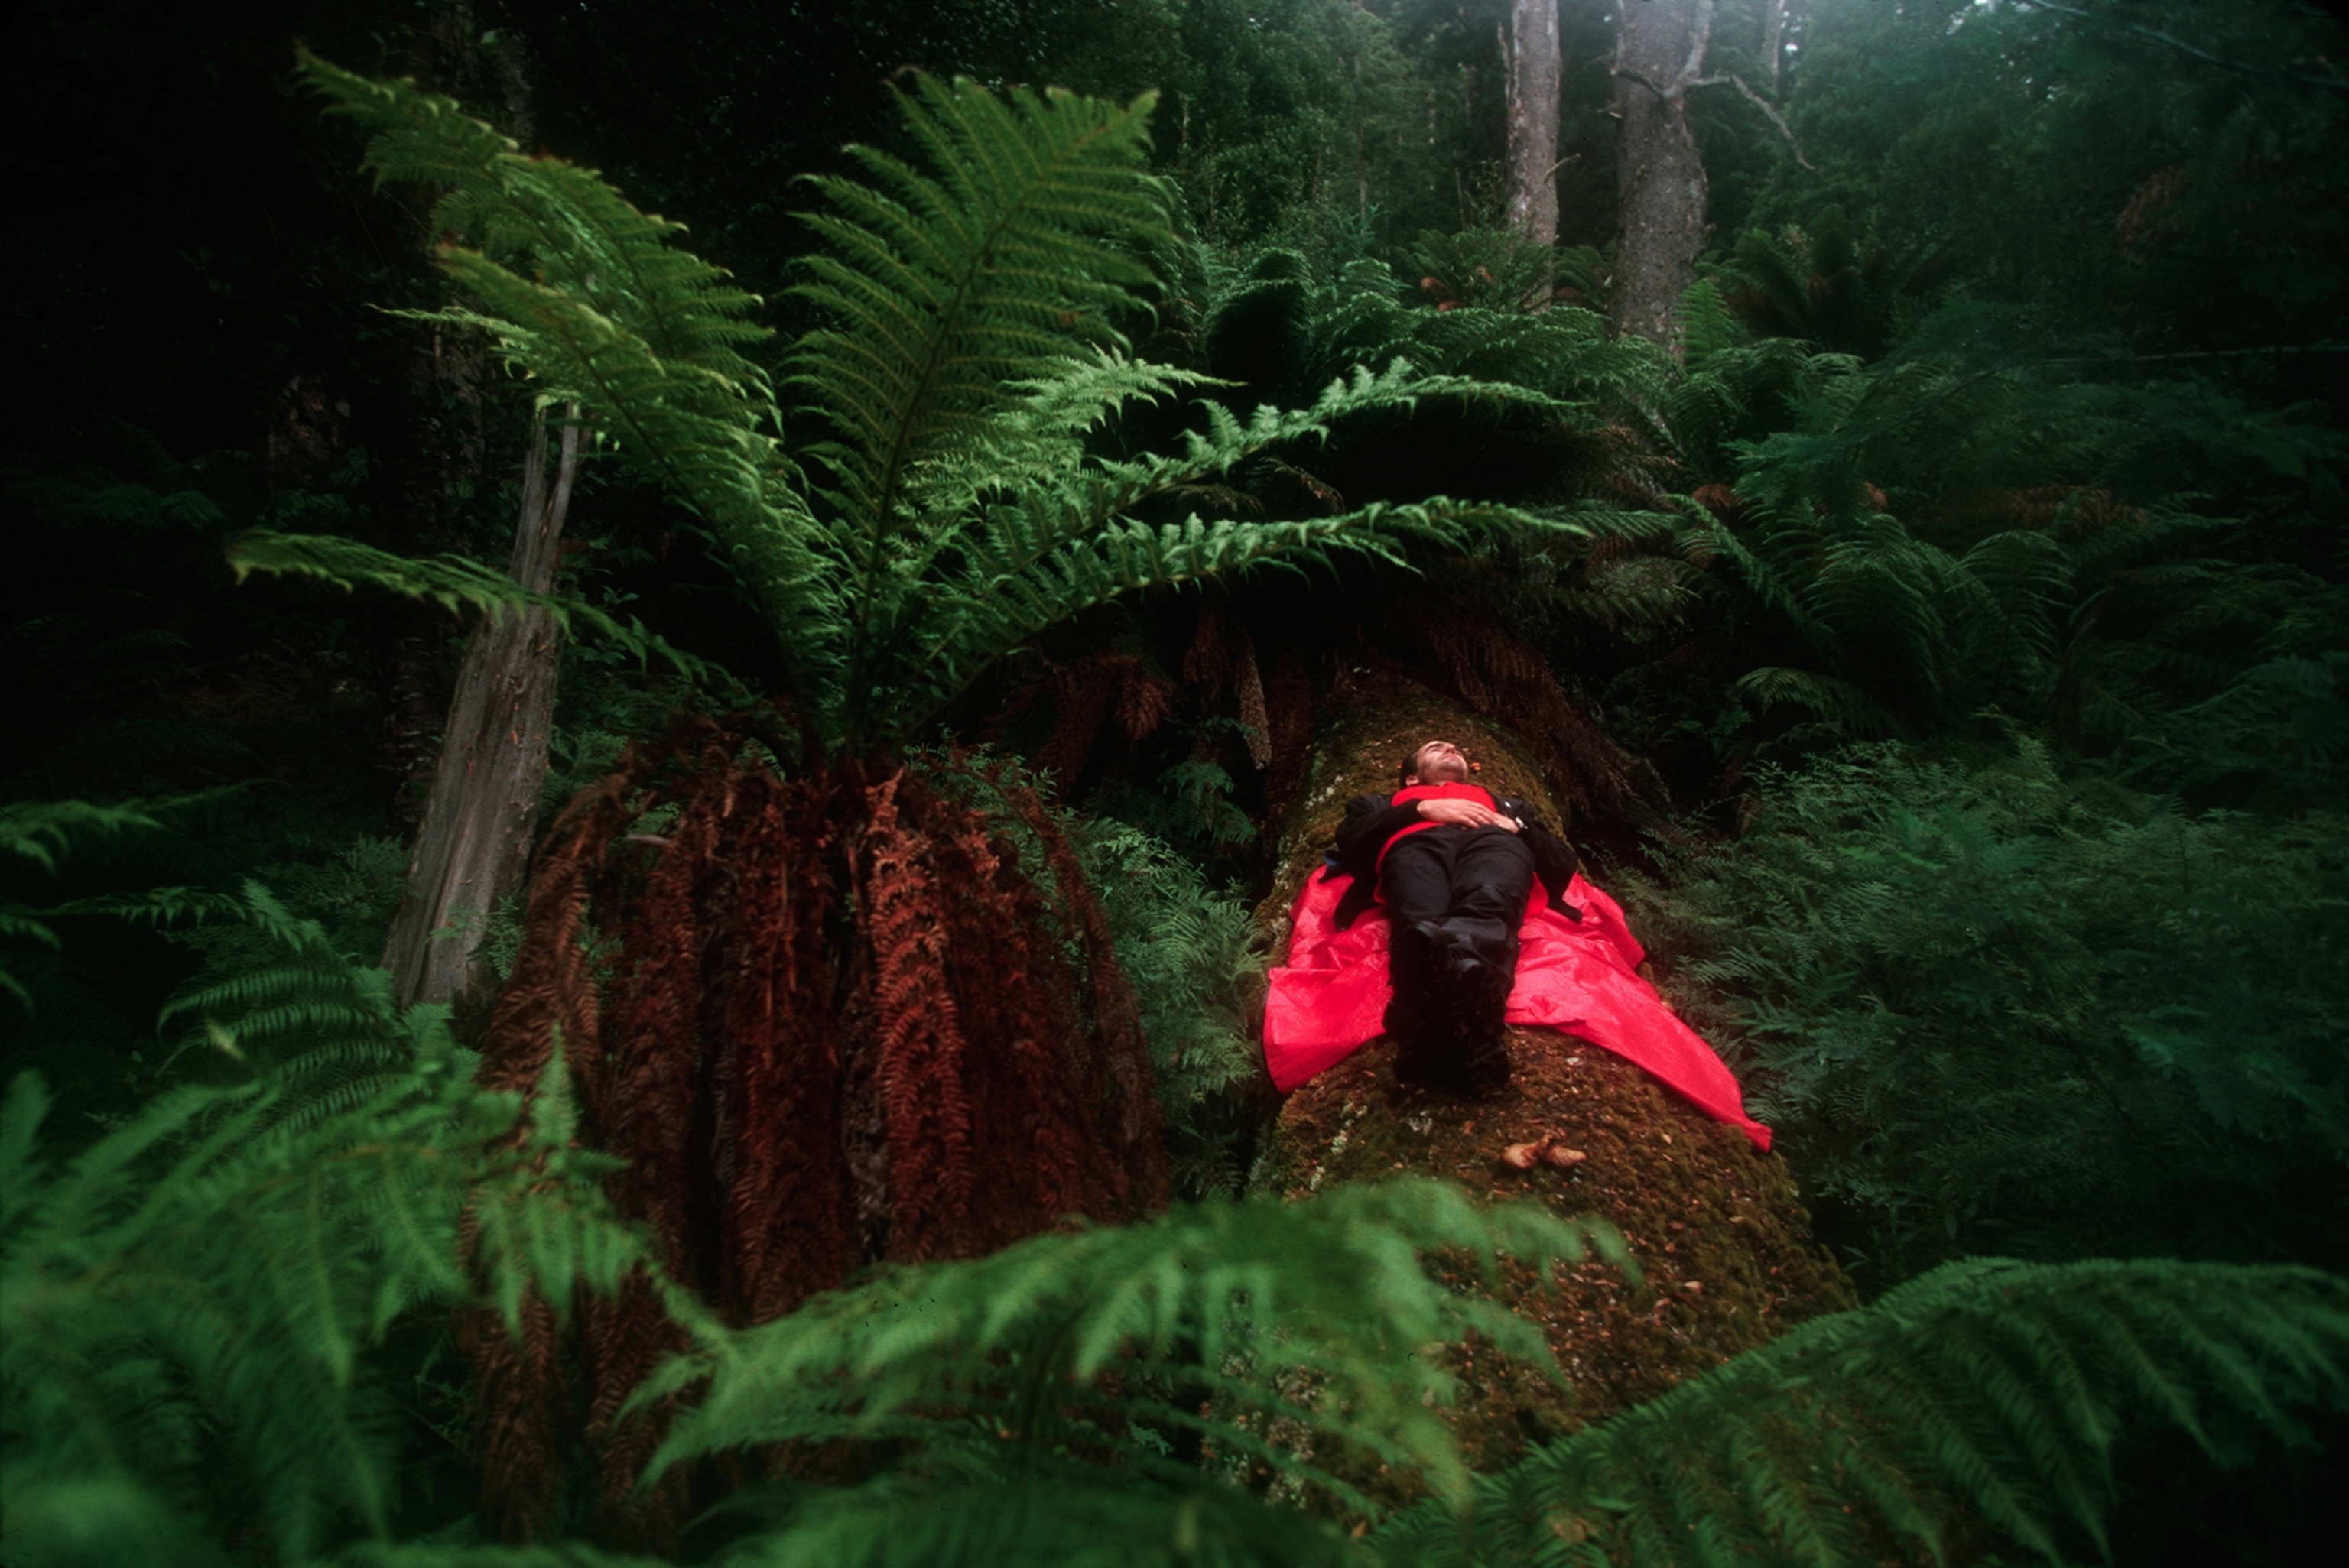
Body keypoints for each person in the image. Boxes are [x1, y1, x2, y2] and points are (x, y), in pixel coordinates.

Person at [1323, 739, 1581, 1094]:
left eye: (1457, 749)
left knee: (1488, 903)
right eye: (1436, 747)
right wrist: (1422, 810)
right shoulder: (1381, 803)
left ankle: (1426, 1026)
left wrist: (1519, 830)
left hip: (1493, 844)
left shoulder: (1508, 807)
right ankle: (1469, 1030)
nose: (1451, 749)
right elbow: (1351, 840)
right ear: (1411, 779)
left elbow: (1562, 865)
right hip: (1415, 847)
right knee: (1422, 927)